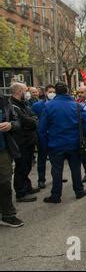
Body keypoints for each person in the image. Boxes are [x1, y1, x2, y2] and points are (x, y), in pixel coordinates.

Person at [38, 82, 86, 204]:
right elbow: (85, 125)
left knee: (56, 170)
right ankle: (79, 190)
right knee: (75, 168)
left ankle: (56, 195)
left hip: (55, 144)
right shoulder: (77, 106)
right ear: (67, 91)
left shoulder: (48, 106)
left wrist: (45, 146)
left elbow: (42, 129)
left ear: (55, 91)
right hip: (74, 143)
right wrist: (84, 139)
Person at [10, 83, 40, 202]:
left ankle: (27, 187)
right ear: (19, 92)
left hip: (28, 140)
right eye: (25, 90)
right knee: (21, 167)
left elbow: (33, 117)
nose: (27, 93)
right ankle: (21, 193)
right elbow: (28, 122)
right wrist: (32, 121)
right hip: (21, 142)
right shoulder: (13, 106)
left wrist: (32, 121)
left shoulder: (23, 104)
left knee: (27, 166)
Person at [0, 92, 24, 228]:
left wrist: (11, 125)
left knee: (4, 182)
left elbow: (16, 122)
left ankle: (8, 214)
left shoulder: (3, 100)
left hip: (3, 150)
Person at [32, 85, 56, 189]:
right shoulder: (37, 105)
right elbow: (33, 119)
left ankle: (57, 177)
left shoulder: (57, 104)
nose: (52, 94)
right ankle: (41, 180)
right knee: (42, 159)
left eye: (54, 92)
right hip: (42, 136)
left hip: (54, 136)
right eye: (50, 91)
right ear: (45, 92)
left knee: (55, 159)